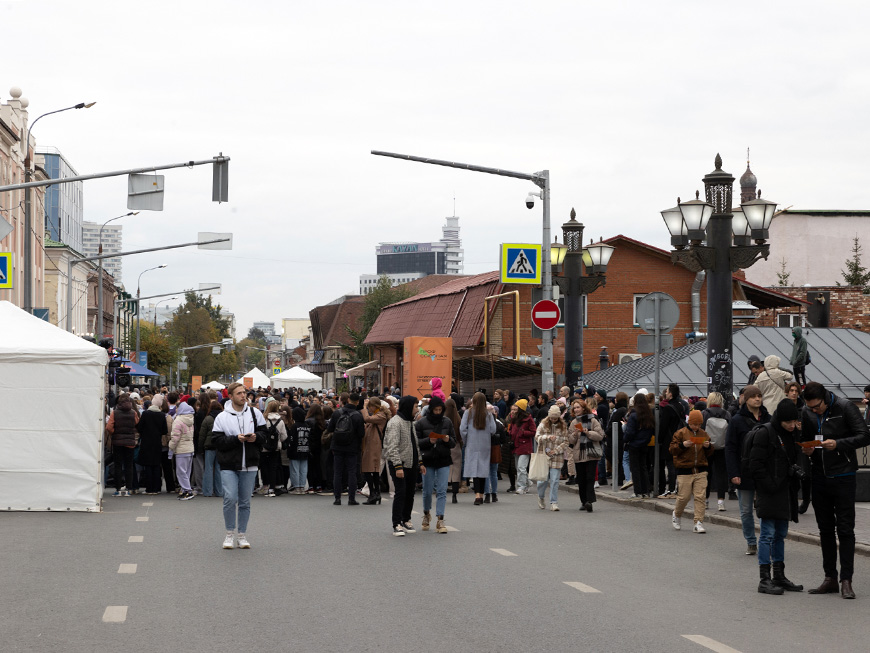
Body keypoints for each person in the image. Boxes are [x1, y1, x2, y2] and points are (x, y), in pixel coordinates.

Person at [802, 381, 870, 599]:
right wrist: (808, 449)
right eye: (810, 407)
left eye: (817, 406)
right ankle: (830, 577)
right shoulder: (807, 411)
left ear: (825, 398)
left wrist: (838, 444)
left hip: (843, 475)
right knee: (825, 529)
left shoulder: (845, 407)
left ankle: (846, 580)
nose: (814, 411)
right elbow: (805, 438)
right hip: (819, 475)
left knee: (845, 529)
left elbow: (864, 435)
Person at [749, 398, 805, 595]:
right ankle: (764, 579)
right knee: (767, 535)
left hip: (785, 491)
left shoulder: (791, 434)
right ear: (780, 419)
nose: (792, 425)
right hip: (769, 491)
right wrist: (770, 485)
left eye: (794, 421)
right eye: (788, 421)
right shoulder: (766, 433)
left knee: (780, 535)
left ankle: (779, 575)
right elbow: (755, 464)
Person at [211, 382, 267, 550]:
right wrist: (236, 439)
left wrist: (256, 437)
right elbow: (216, 441)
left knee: (245, 502)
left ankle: (242, 535)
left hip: (250, 463)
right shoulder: (222, 417)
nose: (243, 396)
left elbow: (265, 435)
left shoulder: (255, 413)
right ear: (230, 396)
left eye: (244, 393)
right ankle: (229, 534)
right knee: (230, 498)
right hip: (229, 464)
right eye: (239, 393)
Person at [725, 385, 770, 555]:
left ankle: (766, 540)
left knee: (766, 509)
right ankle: (751, 541)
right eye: (753, 396)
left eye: (759, 396)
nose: (757, 399)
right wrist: (733, 473)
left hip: (764, 470)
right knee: (745, 510)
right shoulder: (737, 420)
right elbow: (730, 448)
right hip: (744, 470)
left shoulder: (768, 418)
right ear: (746, 399)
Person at [384, 396, 425, 536]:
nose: (417, 409)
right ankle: (396, 523)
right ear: (408, 407)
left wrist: (420, 462)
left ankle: (406, 519)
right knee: (401, 493)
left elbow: (415, 444)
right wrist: (397, 466)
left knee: (410, 493)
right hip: (399, 464)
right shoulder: (395, 422)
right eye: (415, 406)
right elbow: (392, 446)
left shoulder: (410, 422)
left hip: (411, 463)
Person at [415, 396, 457, 533]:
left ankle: (440, 519)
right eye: (435, 410)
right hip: (427, 460)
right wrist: (429, 441)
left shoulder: (447, 422)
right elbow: (416, 442)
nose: (438, 412)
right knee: (427, 491)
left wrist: (448, 440)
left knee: (442, 490)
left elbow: (454, 442)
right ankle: (426, 513)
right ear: (431, 409)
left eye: (440, 410)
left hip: (443, 459)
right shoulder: (421, 423)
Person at [670, 410, 712, 534]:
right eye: (694, 424)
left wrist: (708, 447)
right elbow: (672, 449)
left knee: (700, 496)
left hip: (701, 469)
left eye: (699, 424)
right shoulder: (680, 433)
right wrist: (682, 445)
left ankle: (698, 522)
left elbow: (710, 453)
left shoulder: (704, 434)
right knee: (684, 497)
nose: (696, 427)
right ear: (689, 422)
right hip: (684, 469)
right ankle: (677, 514)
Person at [327, 392, 365, 506]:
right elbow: (361, 434)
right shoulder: (358, 415)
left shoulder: (337, 413)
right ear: (357, 402)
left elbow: (330, 429)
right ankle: (351, 498)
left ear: (348, 400)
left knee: (337, 472)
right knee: (352, 472)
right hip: (352, 447)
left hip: (337, 445)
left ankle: (337, 498)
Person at [568, 400, 605, 512]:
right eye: (574, 408)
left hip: (591, 453)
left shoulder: (593, 420)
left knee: (590, 477)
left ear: (584, 408)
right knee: (581, 479)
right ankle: (583, 501)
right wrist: (575, 434)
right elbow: (570, 441)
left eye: (578, 407)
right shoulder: (573, 422)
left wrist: (588, 432)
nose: (576, 410)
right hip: (579, 454)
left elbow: (600, 436)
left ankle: (589, 501)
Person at [460, 392, 497, 505]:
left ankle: (477, 496)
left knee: (474, 470)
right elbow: (493, 430)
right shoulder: (488, 414)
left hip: (472, 443)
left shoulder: (468, 412)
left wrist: (466, 440)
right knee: (483, 469)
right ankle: (481, 494)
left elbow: (462, 429)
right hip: (485, 444)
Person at [534, 405, 569, 511]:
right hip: (544, 455)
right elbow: (537, 437)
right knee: (542, 481)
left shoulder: (563, 426)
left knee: (555, 480)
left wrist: (556, 450)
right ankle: (541, 497)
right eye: (552, 418)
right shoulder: (543, 424)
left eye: (555, 418)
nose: (553, 420)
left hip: (556, 457)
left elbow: (566, 442)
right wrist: (547, 437)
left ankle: (554, 502)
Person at [701, 392, 731, 512]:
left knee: (707, 473)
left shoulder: (705, 413)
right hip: (722, 448)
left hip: (708, 447)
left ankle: (706, 500)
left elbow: (701, 429)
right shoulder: (726, 414)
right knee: (721, 474)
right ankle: (721, 501)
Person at [107, 393, 139, 497]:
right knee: (129, 465)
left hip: (117, 442)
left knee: (118, 465)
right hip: (130, 442)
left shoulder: (115, 413)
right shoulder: (133, 412)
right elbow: (137, 423)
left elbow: (109, 427)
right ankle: (129, 488)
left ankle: (118, 488)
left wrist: (114, 433)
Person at [624, 393, 654, 499]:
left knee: (635, 468)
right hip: (645, 444)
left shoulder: (633, 415)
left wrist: (625, 439)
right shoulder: (649, 415)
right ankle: (645, 491)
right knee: (643, 467)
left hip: (634, 444)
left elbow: (630, 432)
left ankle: (637, 491)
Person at [137, 394, 168, 495]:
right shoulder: (162, 415)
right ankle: (156, 488)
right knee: (156, 465)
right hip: (157, 443)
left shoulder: (146, 414)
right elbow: (164, 431)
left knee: (148, 466)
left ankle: (149, 488)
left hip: (146, 442)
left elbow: (139, 428)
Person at [657, 383, 684, 497]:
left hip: (669, 439)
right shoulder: (680, 406)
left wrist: (659, 439)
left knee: (669, 464)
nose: (666, 393)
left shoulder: (668, 408)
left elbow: (663, 425)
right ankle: (676, 488)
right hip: (679, 437)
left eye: (667, 391)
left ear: (671, 394)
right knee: (676, 463)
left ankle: (671, 489)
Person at [360, 398, 388, 505]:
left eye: (369, 406)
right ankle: (376, 493)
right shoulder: (377, 415)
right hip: (370, 445)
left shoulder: (381, 416)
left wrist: (364, 408)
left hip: (374, 446)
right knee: (373, 471)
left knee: (370, 469)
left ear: (374, 406)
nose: (369, 409)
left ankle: (373, 494)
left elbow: (367, 418)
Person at [508, 399, 536, 495]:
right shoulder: (514, 418)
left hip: (525, 446)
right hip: (516, 445)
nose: (514, 410)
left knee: (521, 467)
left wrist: (523, 432)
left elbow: (534, 432)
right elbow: (511, 429)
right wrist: (510, 432)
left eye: (516, 408)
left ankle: (521, 486)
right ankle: (527, 482)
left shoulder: (528, 419)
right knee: (518, 467)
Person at [258, 401, 287, 497]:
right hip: (275, 447)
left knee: (264, 467)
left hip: (264, 447)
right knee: (273, 467)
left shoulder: (264, 419)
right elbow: (284, 436)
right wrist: (278, 441)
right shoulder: (280, 421)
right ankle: (272, 488)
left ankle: (265, 486)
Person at [169, 402, 196, 500]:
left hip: (181, 449)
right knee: (187, 472)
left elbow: (175, 437)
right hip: (190, 448)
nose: (176, 409)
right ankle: (185, 490)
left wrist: (171, 447)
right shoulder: (190, 419)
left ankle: (187, 491)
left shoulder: (178, 420)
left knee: (181, 472)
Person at [198, 399, 224, 497]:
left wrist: (200, 447)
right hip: (220, 445)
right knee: (218, 468)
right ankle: (219, 491)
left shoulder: (207, 419)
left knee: (208, 469)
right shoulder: (223, 418)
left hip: (209, 446)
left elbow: (202, 435)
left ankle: (207, 491)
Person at [286, 407, 311, 494]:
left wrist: (289, 449)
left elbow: (291, 439)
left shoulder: (294, 426)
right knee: (304, 469)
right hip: (305, 449)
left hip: (295, 450)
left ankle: (296, 487)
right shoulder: (307, 425)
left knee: (295, 469)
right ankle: (302, 486)